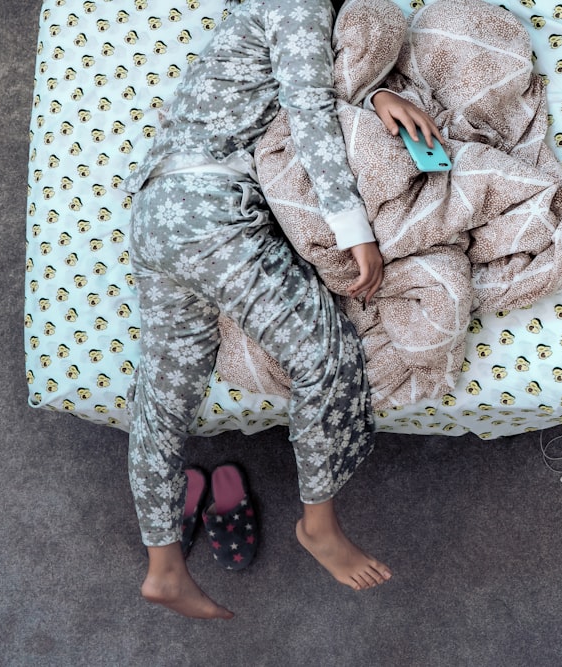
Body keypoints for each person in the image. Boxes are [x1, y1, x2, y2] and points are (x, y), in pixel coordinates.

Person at [122, 0, 441, 619]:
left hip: (155, 212)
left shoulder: (257, 18)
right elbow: (308, 112)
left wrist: (375, 97)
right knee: (325, 355)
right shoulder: (296, 3)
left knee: (164, 396)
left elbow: (295, 92)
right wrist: (353, 226)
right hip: (209, 211)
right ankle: (318, 526)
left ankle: (163, 566)